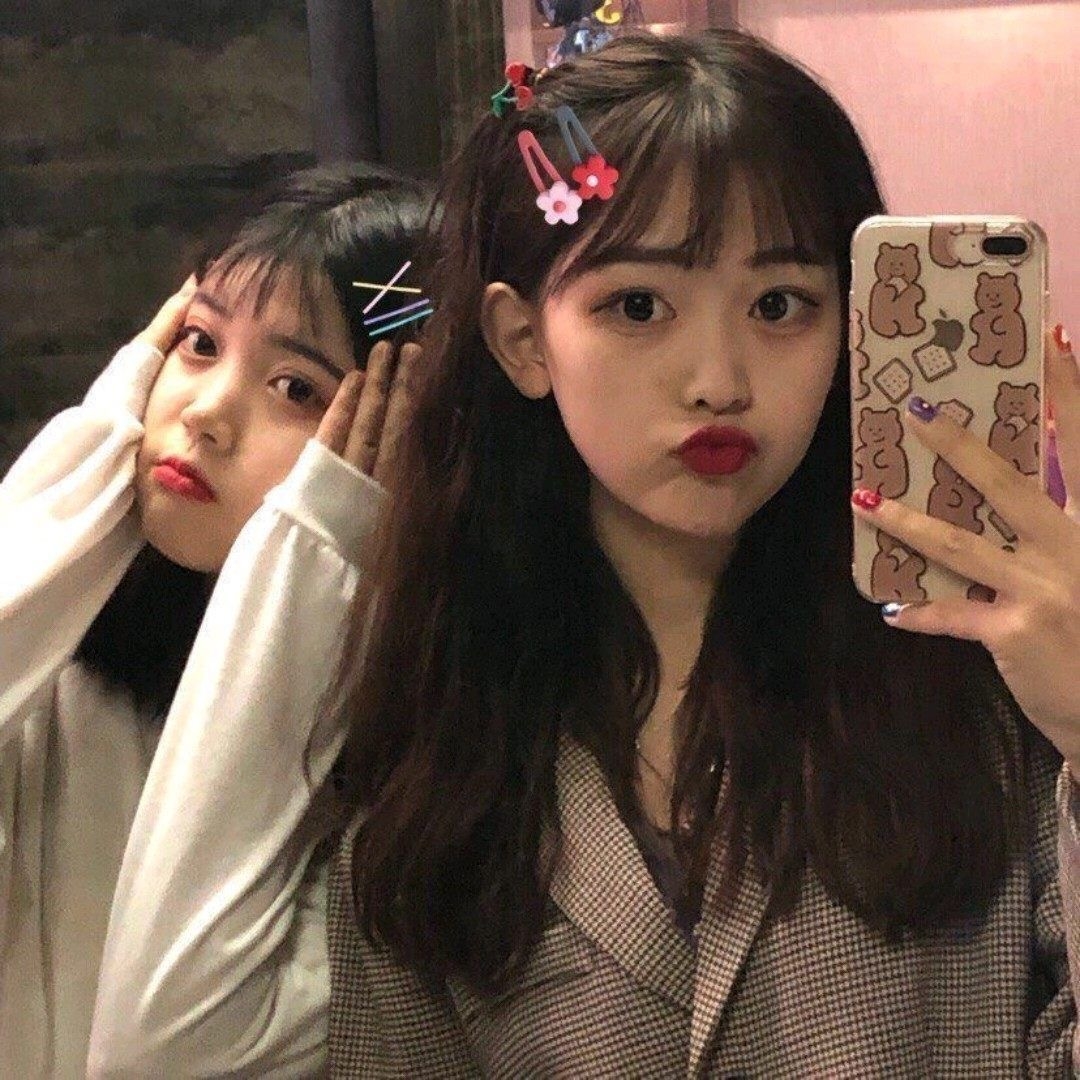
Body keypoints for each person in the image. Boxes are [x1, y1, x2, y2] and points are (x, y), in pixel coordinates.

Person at [89, 29, 1080, 1076]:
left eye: (780, 305)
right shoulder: (442, 722)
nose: (718, 379)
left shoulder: (983, 670)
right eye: (638, 306)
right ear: (523, 340)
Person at [0, 162, 428, 1077]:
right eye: (197, 344)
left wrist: (320, 541)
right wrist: (94, 448)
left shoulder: (404, 786)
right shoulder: (57, 666)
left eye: (297, 389)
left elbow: (165, 1046)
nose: (206, 415)